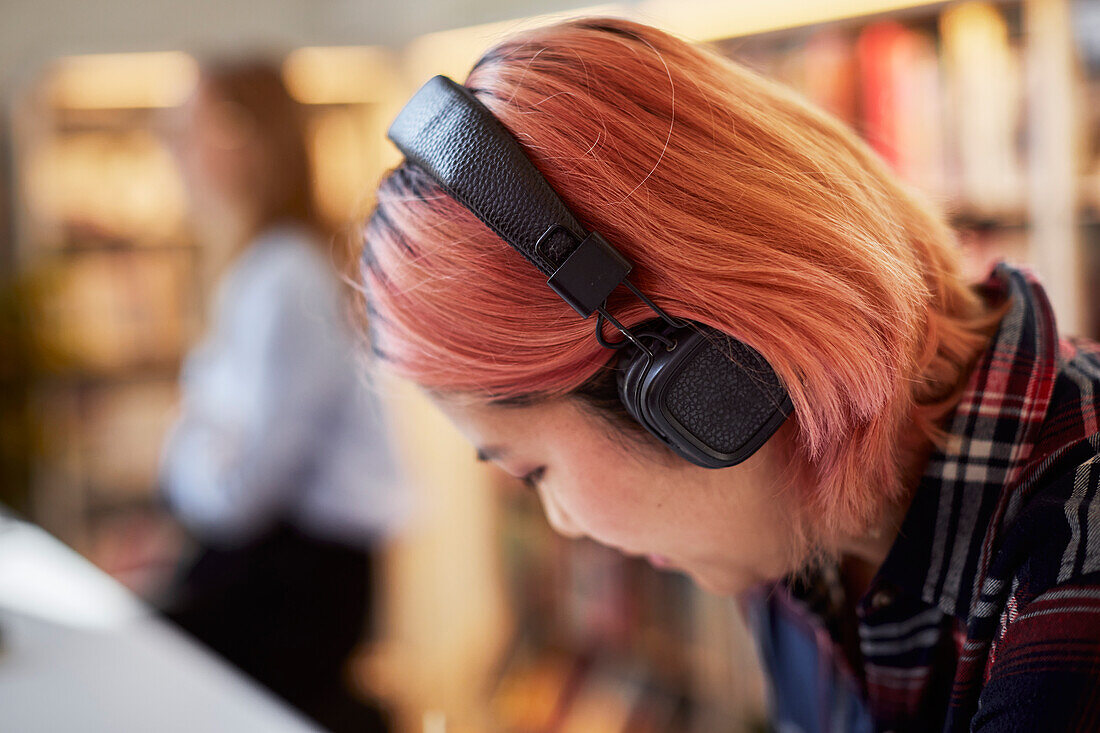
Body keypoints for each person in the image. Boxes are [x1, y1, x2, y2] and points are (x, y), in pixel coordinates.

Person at [359, 17, 1100, 733]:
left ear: (700, 386)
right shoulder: (791, 525)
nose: (564, 523)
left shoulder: (1077, 574)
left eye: (533, 469)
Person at [159, 62, 403, 733]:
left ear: (246, 139)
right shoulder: (264, 267)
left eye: (190, 128)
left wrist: (183, 454)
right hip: (288, 566)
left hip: (298, 581)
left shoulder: (286, 278)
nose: (173, 148)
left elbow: (240, 488)